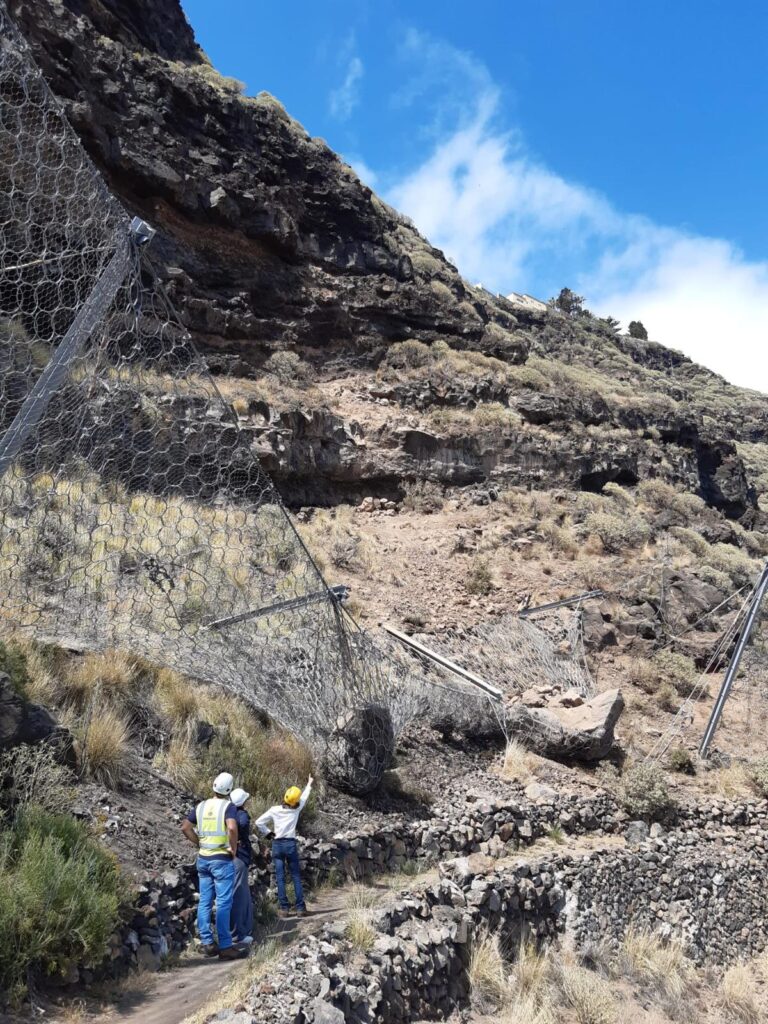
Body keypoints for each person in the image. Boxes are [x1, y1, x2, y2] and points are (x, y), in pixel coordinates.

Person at [181, 771, 247, 960]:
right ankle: (226, 946)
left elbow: (185, 827)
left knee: (205, 901)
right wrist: (232, 847)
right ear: (229, 789)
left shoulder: (200, 806)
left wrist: (199, 843)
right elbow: (232, 828)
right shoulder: (228, 807)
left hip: (203, 859)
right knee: (224, 902)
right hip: (221, 859)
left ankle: (207, 943)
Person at [255, 775, 313, 918]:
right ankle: (300, 908)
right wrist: (309, 782)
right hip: (290, 845)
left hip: (277, 845)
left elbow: (259, 822)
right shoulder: (296, 810)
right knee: (295, 876)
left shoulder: (274, 810)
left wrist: (268, 833)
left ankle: (284, 908)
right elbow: (305, 796)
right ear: (295, 802)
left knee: (280, 877)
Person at [229, 787, 254, 946]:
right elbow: (243, 824)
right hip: (239, 856)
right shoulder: (241, 815)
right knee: (240, 895)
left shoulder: (226, 812)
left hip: (222, 856)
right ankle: (239, 934)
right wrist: (240, 839)